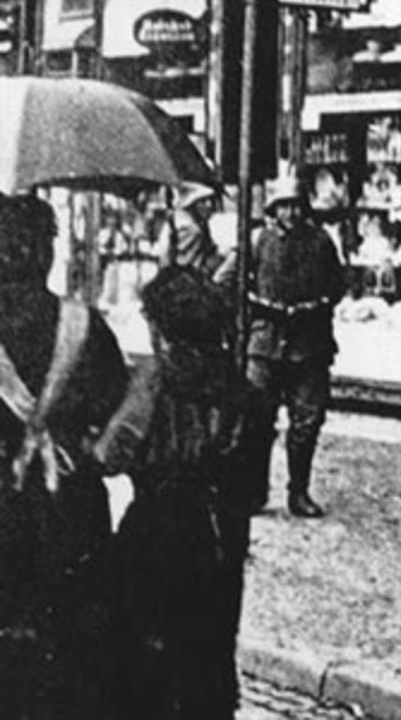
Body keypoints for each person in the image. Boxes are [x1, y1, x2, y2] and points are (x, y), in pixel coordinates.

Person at [93, 265, 250, 720]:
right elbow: (254, 488)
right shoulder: (242, 389)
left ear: (160, 326)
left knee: (146, 656)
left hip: (156, 529)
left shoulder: (154, 381)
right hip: (221, 538)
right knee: (208, 652)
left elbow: (110, 455)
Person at [0, 193, 128, 720]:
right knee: (74, 637)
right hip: (69, 505)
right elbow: (115, 407)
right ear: (46, 253)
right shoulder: (85, 325)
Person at [221, 173, 345, 519]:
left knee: (308, 420)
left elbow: (338, 285)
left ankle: (299, 491)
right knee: (257, 421)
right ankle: (254, 490)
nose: (290, 213)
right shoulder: (257, 241)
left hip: (309, 344)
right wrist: (250, 305)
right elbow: (226, 281)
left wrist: (317, 306)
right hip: (265, 344)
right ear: (273, 209)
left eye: (296, 206)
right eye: (284, 206)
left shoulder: (321, 241)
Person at [163, 183, 223, 279]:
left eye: (211, 200)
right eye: (203, 201)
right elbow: (187, 265)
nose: (209, 205)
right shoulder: (193, 231)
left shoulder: (188, 222)